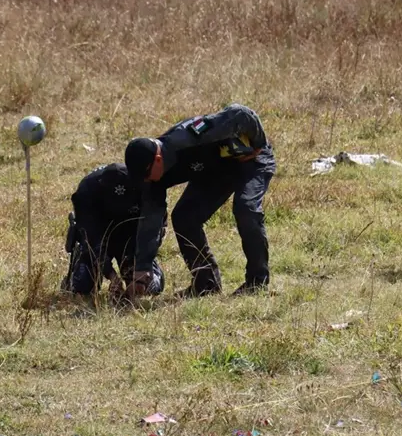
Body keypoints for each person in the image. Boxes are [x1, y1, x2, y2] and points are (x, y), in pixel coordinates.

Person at [123, 103, 275, 298]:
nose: (145, 181)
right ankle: (206, 285)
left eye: (145, 175)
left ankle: (256, 284)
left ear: (158, 159)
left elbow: (240, 113)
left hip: (251, 160)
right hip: (216, 171)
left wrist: (258, 143)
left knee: (246, 208)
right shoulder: (151, 178)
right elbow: (150, 220)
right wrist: (143, 267)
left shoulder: (186, 138)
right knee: (185, 217)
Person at [61, 162, 165, 305]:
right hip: (100, 232)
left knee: (151, 287)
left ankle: (142, 267)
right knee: (82, 286)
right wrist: (112, 276)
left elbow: (154, 229)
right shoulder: (87, 192)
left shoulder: (145, 186)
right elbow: (90, 238)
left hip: (131, 234)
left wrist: (142, 268)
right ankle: (80, 260)